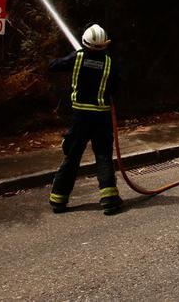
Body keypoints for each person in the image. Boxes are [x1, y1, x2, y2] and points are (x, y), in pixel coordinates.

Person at [48, 23, 123, 215]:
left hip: (80, 117)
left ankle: (58, 200)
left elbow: (53, 66)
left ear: (84, 42)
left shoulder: (77, 57)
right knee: (104, 156)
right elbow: (116, 87)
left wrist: (76, 59)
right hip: (102, 116)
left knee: (72, 157)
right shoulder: (109, 62)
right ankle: (109, 201)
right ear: (105, 44)